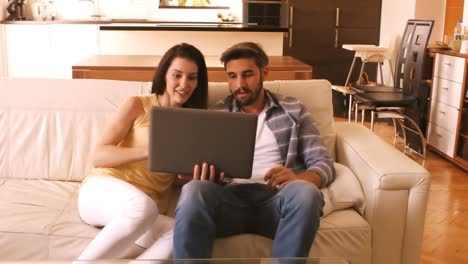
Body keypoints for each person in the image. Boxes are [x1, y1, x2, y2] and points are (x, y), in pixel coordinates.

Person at [173, 42, 336, 260]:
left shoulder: (294, 110)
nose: (240, 84)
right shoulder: (216, 115)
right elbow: (196, 171)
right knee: (194, 189)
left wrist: (297, 178)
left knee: (306, 192)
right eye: (232, 76)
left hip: (276, 201)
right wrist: (201, 176)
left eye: (247, 74)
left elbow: (323, 163)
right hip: (228, 202)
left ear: (264, 72)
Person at [77, 43, 208, 260]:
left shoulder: (194, 122)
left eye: (192, 78)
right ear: (164, 74)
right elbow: (98, 156)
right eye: (177, 75)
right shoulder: (138, 105)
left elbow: (180, 177)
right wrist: (152, 151)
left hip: (144, 212)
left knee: (185, 233)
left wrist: (190, 176)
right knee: (142, 207)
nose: (184, 84)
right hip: (102, 191)